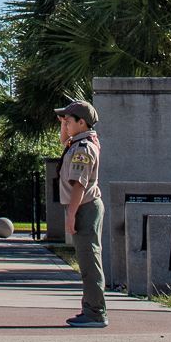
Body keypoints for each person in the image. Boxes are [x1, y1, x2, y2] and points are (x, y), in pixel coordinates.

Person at [56, 99, 107, 327]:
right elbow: (64, 140)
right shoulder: (77, 142)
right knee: (86, 260)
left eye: (69, 120)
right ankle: (89, 308)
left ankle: (96, 313)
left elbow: (79, 185)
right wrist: (63, 125)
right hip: (82, 206)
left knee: (89, 261)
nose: (65, 124)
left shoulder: (84, 149)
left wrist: (71, 214)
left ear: (82, 122)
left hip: (85, 207)